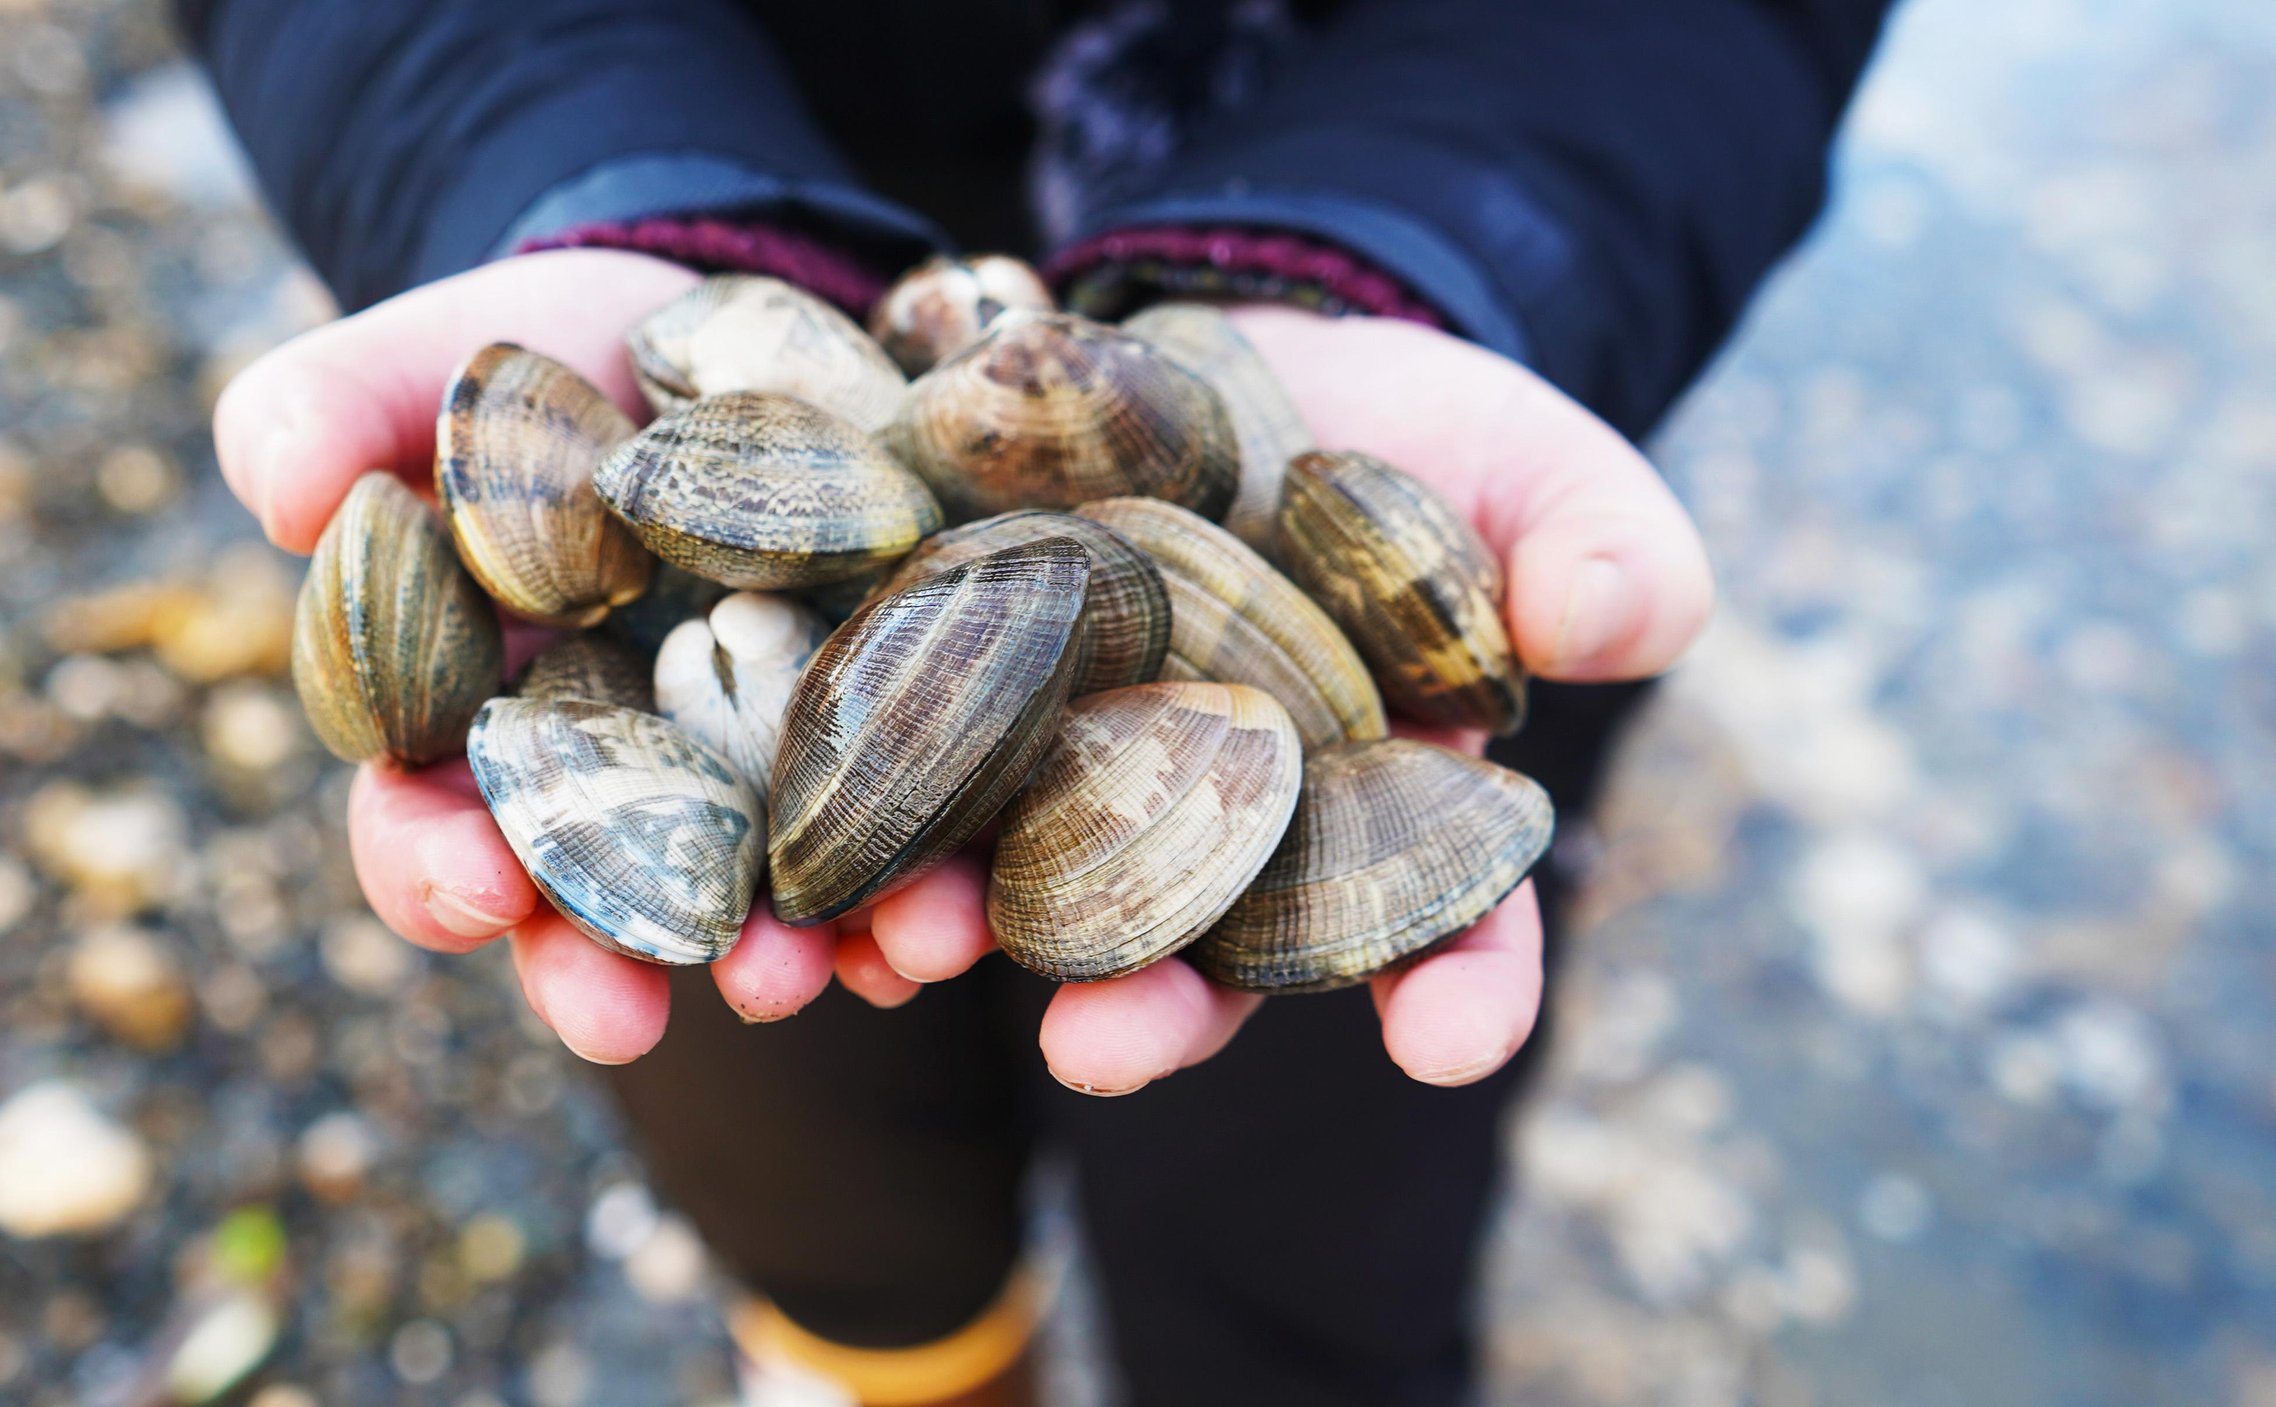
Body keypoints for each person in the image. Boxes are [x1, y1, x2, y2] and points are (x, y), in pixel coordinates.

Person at [181, 2, 1894, 1402]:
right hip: (725, 213)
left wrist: (1427, 253)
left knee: (1302, 1256)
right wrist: (577, 185)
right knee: (827, 1187)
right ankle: (889, 1362)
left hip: (1353, 271)